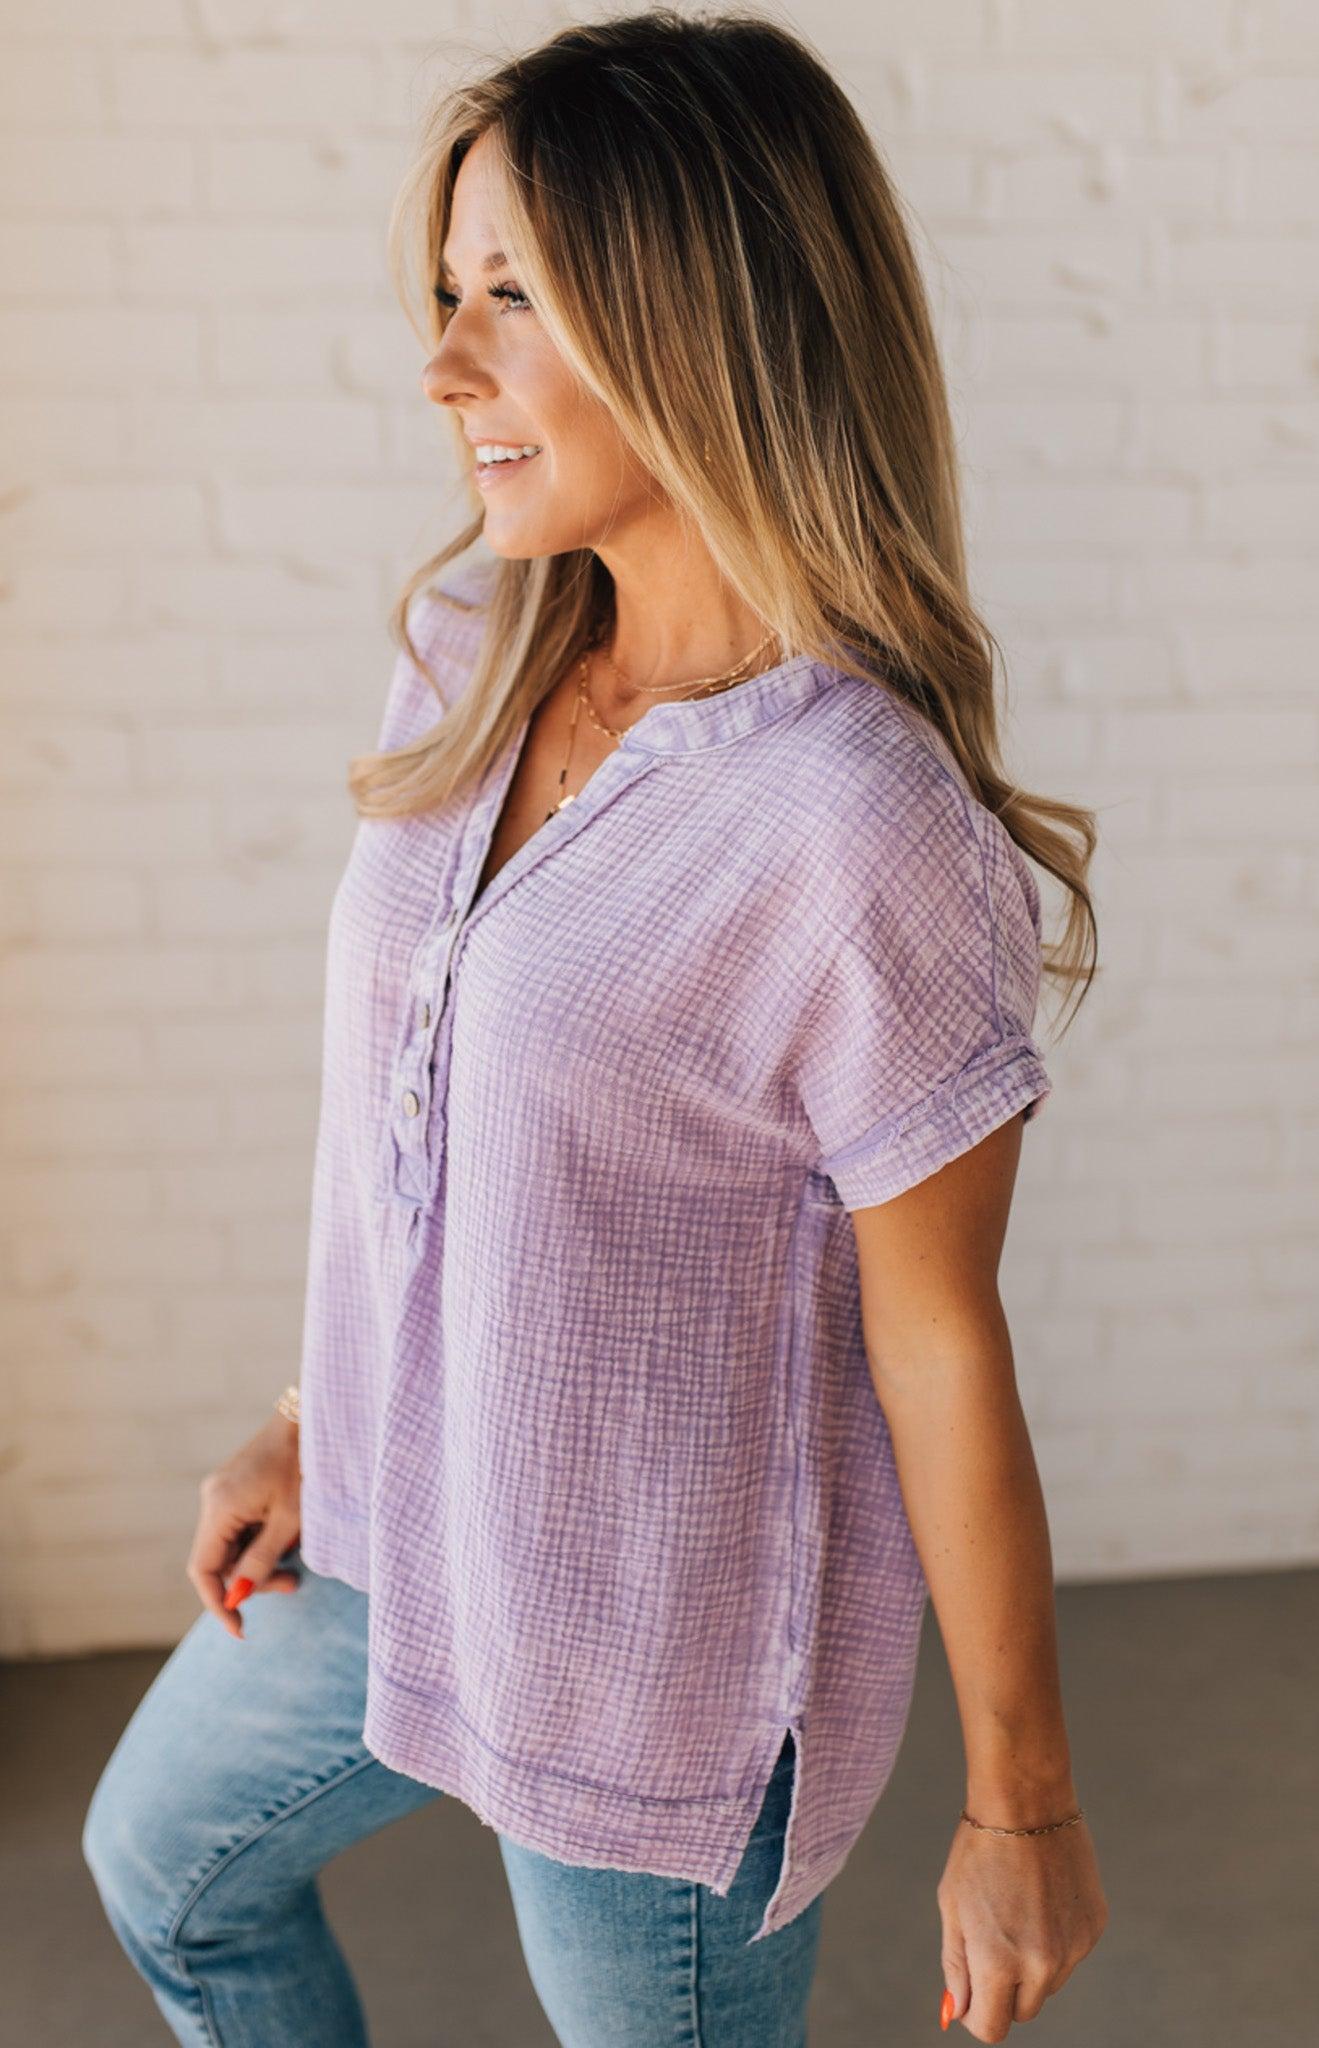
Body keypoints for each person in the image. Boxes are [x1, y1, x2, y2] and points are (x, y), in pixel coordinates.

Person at [81, 11, 1108, 2045]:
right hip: (395, 1522)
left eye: (511, 297)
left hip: (661, 1661)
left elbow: (933, 1339)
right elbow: (416, 1120)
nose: (444, 360)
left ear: (696, 323)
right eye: (446, 294)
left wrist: (1022, 1802)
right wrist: (315, 1412)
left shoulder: (850, 823)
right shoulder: (467, 652)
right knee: (163, 1873)